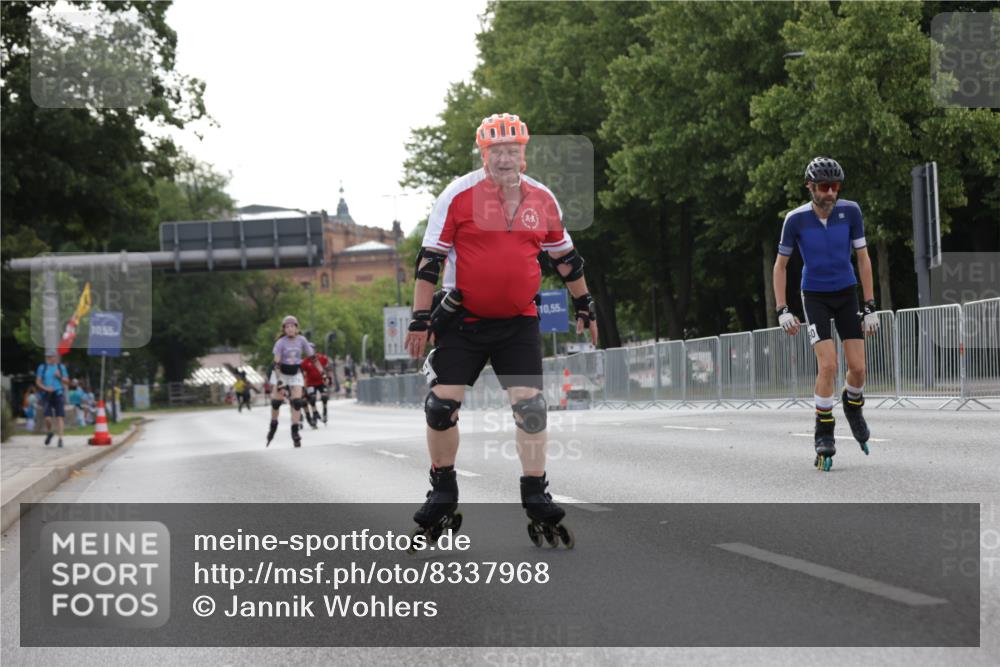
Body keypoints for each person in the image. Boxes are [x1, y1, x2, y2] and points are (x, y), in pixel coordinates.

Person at [405, 112, 598, 548]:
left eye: (513, 149)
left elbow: (566, 258)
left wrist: (585, 302)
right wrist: (420, 318)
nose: (505, 158)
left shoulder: (542, 198)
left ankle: (535, 494)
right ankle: (443, 490)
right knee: (440, 407)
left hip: (517, 323)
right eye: (496, 151)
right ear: (483, 152)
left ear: (524, 153)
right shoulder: (458, 195)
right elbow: (429, 261)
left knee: (531, 408)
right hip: (463, 320)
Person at [773, 157, 878, 472]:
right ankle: (823, 432)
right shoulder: (795, 220)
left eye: (835, 187)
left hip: (846, 292)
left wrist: (870, 305)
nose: (830, 193)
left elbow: (863, 258)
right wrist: (781, 309)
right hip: (815, 295)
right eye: (823, 187)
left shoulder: (851, 212)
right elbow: (780, 266)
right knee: (829, 364)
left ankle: (853, 405)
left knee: (858, 369)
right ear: (810, 187)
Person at [266, 315, 314, 447]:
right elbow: (276, 364)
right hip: (280, 371)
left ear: (297, 328)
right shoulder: (280, 342)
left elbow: (312, 357)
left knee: (297, 402)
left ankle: (295, 431)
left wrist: (322, 372)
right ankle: (273, 425)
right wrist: (280, 381)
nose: (290, 329)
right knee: (276, 402)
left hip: (294, 372)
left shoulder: (302, 340)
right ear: (284, 329)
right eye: (287, 327)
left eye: (292, 326)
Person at [35, 350, 70, 447]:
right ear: (47, 358)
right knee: (48, 419)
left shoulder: (60, 367)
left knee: (60, 417)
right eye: (49, 357)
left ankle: (60, 439)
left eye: (53, 356)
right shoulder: (42, 368)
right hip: (47, 394)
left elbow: (67, 381)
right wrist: (46, 388)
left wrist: (60, 376)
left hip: (58, 394)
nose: (52, 358)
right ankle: (49, 432)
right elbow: (38, 382)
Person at [300, 351, 333, 427]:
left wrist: (330, 378)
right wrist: (303, 387)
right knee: (312, 399)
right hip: (310, 383)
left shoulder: (321, 358)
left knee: (324, 397)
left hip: (321, 382)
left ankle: (325, 412)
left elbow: (328, 368)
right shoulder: (305, 362)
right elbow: (304, 375)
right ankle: (314, 415)